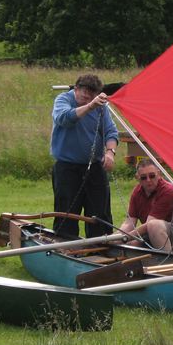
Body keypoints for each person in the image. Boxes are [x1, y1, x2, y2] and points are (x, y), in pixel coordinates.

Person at [50, 73, 119, 238]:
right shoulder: (63, 100)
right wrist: (90, 106)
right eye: (84, 91)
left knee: (100, 214)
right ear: (76, 89)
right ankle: (65, 246)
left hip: (94, 166)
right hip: (67, 168)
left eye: (92, 93)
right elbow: (64, 118)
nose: (87, 96)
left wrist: (110, 152)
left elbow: (111, 131)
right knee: (66, 213)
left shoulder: (101, 107)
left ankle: (100, 246)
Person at [119, 159, 173, 253]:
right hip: (152, 233)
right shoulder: (136, 192)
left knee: (154, 225)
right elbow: (129, 223)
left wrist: (125, 237)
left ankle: (168, 261)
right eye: (143, 177)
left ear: (158, 174)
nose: (148, 180)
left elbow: (149, 224)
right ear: (137, 177)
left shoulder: (168, 191)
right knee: (131, 245)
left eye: (152, 176)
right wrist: (113, 237)